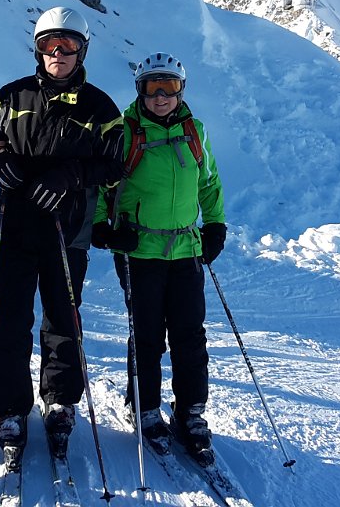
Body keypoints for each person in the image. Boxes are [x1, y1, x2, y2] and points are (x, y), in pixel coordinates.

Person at [0, 6, 124, 460]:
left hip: (67, 228)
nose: (57, 53)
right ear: (37, 50)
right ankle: (10, 408)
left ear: (82, 50)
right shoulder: (12, 95)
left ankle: (59, 401)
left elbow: (116, 162)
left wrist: (72, 175)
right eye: (48, 45)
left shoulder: (101, 107)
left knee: (63, 317)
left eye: (68, 45)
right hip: (17, 224)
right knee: (10, 319)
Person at [91, 52, 226, 465]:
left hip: (186, 249)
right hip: (139, 251)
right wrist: (104, 226)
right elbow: (102, 184)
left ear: (182, 90)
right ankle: (145, 406)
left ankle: (190, 414)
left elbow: (209, 181)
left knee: (190, 336)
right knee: (148, 335)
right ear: (141, 91)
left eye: (170, 86)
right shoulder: (125, 132)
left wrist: (215, 224)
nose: (162, 95)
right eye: (153, 87)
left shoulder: (194, 130)